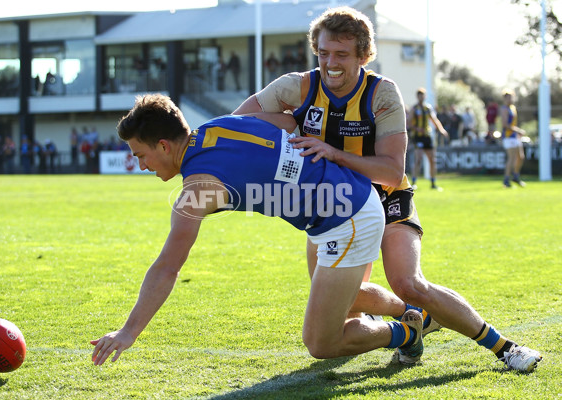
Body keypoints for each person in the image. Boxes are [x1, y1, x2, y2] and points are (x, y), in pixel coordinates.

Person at [232, 6, 541, 371]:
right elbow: (239, 123)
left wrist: (332, 153)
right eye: (324, 53)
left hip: (386, 198)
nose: (331, 63)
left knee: (409, 282)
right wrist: (285, 124)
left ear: (364, 56)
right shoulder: (296, 86)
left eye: (342, 55)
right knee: (341, 304)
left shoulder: (382, 93)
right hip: (334, 206)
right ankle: (414, 323)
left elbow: (392, 173)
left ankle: (505, 348)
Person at [90, 93, 426, 367]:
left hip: (346, 212)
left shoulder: (196, 190)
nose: (141, 165)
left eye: (141, 155)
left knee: (321, 342)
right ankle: (413, 312)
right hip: (341, 205)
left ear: (163, 145)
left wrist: (128, 331)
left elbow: (167, 267)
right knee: (343, 295)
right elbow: (285, 121)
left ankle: (406, 334)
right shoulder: (219, 125)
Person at [409, 88, 448, 190]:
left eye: (423, 95)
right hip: (418, 136)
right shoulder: (414, 109)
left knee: (432, 160)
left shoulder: (428, 108)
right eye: (419, 95)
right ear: (417, 97)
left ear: (425, 96)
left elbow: (434, 120)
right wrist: (417, 129)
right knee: (419, 159)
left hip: (427, 136)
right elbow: (409, 123)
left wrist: (441, 130)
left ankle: (433, 183)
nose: (421, 97)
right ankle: (413, 182)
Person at [500, 89, 526, 188]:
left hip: (515, 136)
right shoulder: (504, 109)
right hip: (508, 136)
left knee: (520, 157)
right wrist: (518, 130)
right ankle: (506, 180)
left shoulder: (513, 108)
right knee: (511, 158)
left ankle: (515, 176)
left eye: (511, 97)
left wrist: (517, 132)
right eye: (507, 97)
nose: (510, 99)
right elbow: (505, 125)